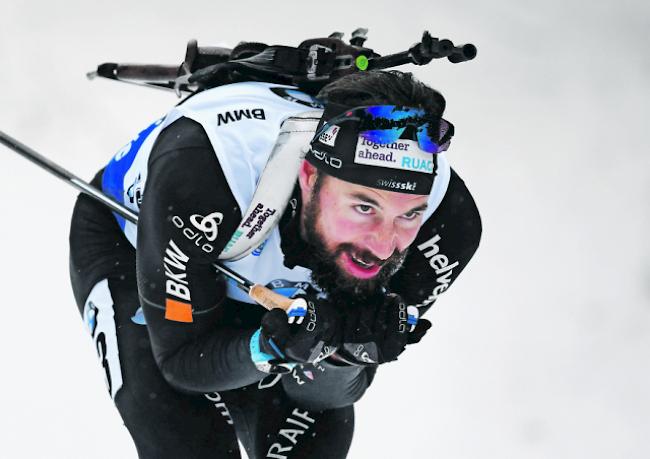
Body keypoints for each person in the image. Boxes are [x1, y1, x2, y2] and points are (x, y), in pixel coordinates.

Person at [69, 70, 481, 458]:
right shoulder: (208, 175)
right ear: (308, 175)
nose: (384, 245)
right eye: (363, 206)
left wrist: (346, 353)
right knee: (185, 442)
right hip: (139, 249)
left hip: (275, 294)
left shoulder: (447, 229)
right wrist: (267, 349)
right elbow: (182, 363)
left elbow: (325, 397)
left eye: (409, 215)